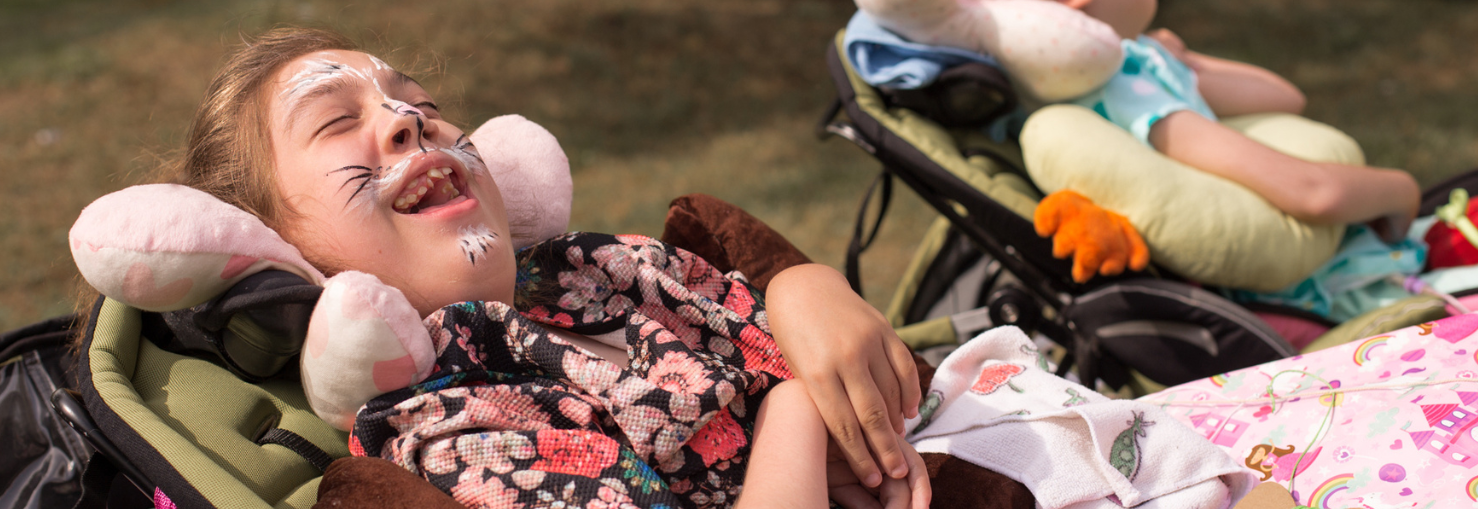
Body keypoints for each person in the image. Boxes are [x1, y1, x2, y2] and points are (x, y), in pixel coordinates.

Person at [164, 26, 930, 509]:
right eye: (338, 121)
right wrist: (797, 409)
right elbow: (810, 392)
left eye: (418, 102)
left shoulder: (597, 269)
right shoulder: (454, 430)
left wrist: (806, 287)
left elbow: (827, 345)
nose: (407, 119)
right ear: (279, 250)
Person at [1052, 0, 1421, 242]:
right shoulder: (1125, 90)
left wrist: (1179, 58)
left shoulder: (1129, 64)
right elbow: (1314, 193)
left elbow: (1284, 96)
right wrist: (1402, 190)